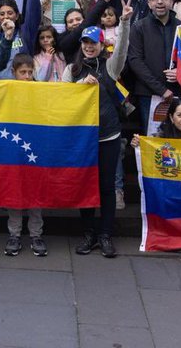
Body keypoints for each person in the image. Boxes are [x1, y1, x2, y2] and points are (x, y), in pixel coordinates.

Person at [65, 15, 133, 259]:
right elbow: (62, 101)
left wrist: (124, 23)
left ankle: (105, 235)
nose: (88, 46)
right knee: (84, 186)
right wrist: (80, 85)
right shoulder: (71, 70)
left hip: (108, 135)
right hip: (83, 138)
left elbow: (123, 49)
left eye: (93, 42)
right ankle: (88, 233)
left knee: (106, 187)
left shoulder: (110, 66)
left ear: (102, 45)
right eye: (85, 42)